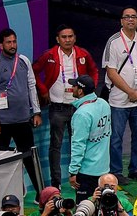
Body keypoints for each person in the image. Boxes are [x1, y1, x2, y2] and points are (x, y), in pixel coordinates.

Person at [32, 24, 99, 189]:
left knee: (80, 143)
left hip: (79, 108)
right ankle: (56, 184)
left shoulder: (83, 54)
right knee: (56, 146)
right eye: (64, 37)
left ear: (75, 38)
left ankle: (81, 179)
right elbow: (33, 71)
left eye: (70, 36)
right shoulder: (49, 55)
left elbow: (94, 71)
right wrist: (43, 90)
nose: (67, 40)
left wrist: (90, 90)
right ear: (57, 39)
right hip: (58, 107)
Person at [103, 6, 137, 182]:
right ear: (121, 21)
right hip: (119, 100)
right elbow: (111, 72)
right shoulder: (114, 42)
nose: (130, 20)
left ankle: (136, 169)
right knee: (116, 138)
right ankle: (116, 172)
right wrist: (130, 91)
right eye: (127, 17)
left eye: (134, 17)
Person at [0, 28, 43, 193]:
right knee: (1, 162)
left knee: (30, 159)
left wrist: (36, 112)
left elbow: (32, 86)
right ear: (0, 45)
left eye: (14, 41)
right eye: (8, 42)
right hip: (3, 123)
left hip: (23, 120)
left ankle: (41, 195)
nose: (12, 45)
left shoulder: (24, 60)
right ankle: (1, 195)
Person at [66, 74, 112, 203]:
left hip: (87, 171)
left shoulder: (81, 114)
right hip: (104, 168)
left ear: (80, 91)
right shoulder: (104, 104)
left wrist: (73, 171)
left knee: (85, 209)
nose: (72, 88)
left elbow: (78, 145)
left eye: (74, 86)